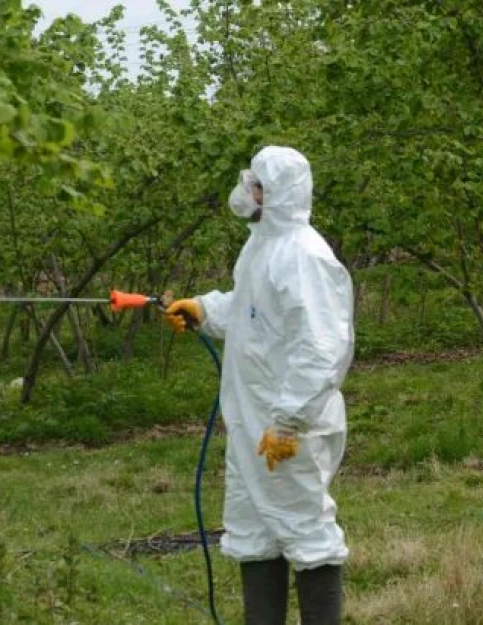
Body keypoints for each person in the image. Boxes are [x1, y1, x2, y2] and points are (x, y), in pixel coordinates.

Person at [164, 146, 355, 625]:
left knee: (305, 531)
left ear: (276, 193)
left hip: (290, 428)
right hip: (254, 422)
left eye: (256, 185)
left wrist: (289, 422)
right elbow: (252, 311)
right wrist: (205, 310)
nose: (246, 191)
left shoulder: (304, 256)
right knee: (255, 531)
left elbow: (323, 349)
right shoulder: (262, 246)